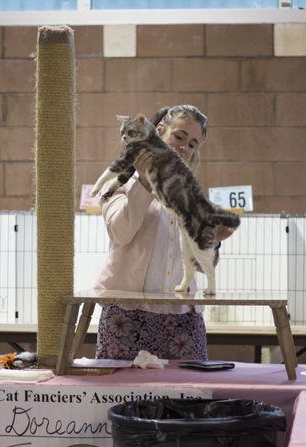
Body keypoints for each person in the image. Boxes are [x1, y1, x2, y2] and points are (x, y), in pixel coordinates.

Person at [93, 104, 235, 361]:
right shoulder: (121, 184)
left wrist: (213, 242)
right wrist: (145, 183)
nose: (184, 148)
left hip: (182, 318)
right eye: (179, 136)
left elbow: (203, 266)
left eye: (193, 144)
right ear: (159, 131)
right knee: (122, 395)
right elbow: (120, 233)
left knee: (188, 396)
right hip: (127, 315)